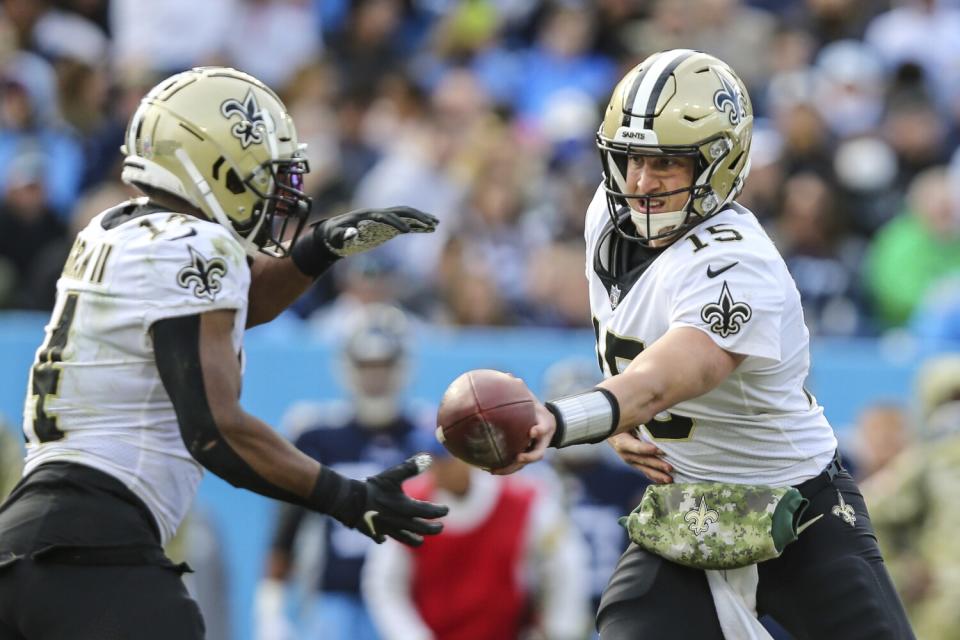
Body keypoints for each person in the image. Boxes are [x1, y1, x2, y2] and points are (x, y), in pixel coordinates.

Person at [0, 66, 448, 640]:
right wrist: (348, 497)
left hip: (30, 547)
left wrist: (317, 249)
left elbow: (228, 308)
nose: (278, 191)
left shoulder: (111, 231)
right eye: (266, 173)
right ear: (214, 163)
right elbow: (214, 430)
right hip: (95, 554)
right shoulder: (194, 242)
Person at [492, 49, 914, 639]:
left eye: (666, 163)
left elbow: (671, 373)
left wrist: (569, 418)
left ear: (721, 162)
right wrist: (619, 420)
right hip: (690, 512)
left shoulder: (736, 261)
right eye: (631, 158)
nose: (641, 182)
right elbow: (628, 345)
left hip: (801, 509)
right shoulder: (606, 218)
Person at [256, 303, 431, 640]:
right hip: (334, 598)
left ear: (402, 367)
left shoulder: (424, 438)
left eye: (383, 366)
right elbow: (288, 526)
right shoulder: (318, 435)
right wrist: (270, 607)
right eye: (367, 367)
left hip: (408, 597)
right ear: (349, 368)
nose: (375, 378)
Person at [361, 435, 592, 640]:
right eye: (429, 461)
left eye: (445, 459)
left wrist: (560, 630)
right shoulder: (406, 509)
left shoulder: (524, 502)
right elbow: (384, 585)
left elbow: (563, 568)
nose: (439, 469)